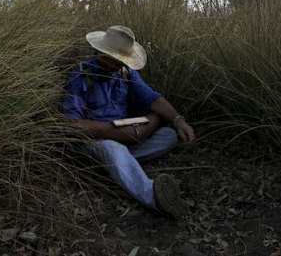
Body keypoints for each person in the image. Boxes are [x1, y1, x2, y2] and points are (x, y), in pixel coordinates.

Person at [62, 25, 195, 219]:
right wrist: (113, 131)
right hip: (98, 141)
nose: (122, 65)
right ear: (101, 54)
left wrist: (178, 120)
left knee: (169, 135)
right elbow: (72, 124)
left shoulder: (126, 73)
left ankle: (116, 166)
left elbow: (152, 98)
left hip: (127, 136)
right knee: (112, 149)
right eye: (117, 60)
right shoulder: (79, 76)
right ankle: (153, 197)